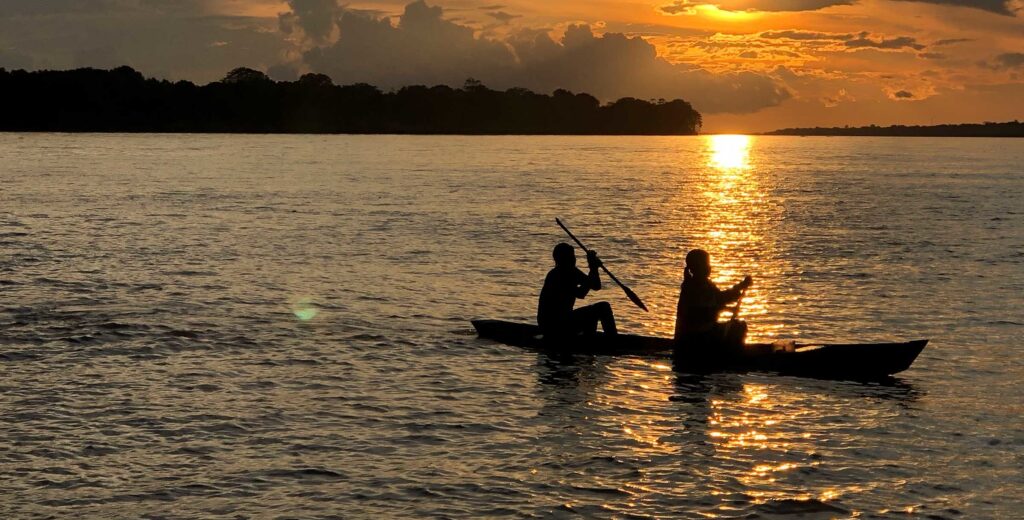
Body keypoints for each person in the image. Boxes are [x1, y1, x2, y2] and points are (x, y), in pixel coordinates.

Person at [674, 249, 752, 351]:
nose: (709, 267)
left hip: (705, 332)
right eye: (706, 264)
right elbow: (701, 313)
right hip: (694, 337)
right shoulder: (691, 287)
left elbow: (721, 298)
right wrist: (725, 308)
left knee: (739, 325)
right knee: (737, 328)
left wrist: (741, 286)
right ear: (696, 267)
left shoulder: (707, 284)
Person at [537, 242, 618, 339]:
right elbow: (581, 293)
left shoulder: (572, 271)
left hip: (564, 320)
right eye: (570, 257)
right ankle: (613, 341)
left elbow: (596, 285)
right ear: (561, 260)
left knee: (593, 314)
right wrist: (592, 268)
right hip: (552, 326)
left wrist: (594, 269)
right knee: (603, 307)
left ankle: (591, 341)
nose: (574, 259)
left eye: (573, 256)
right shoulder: (556, 275)